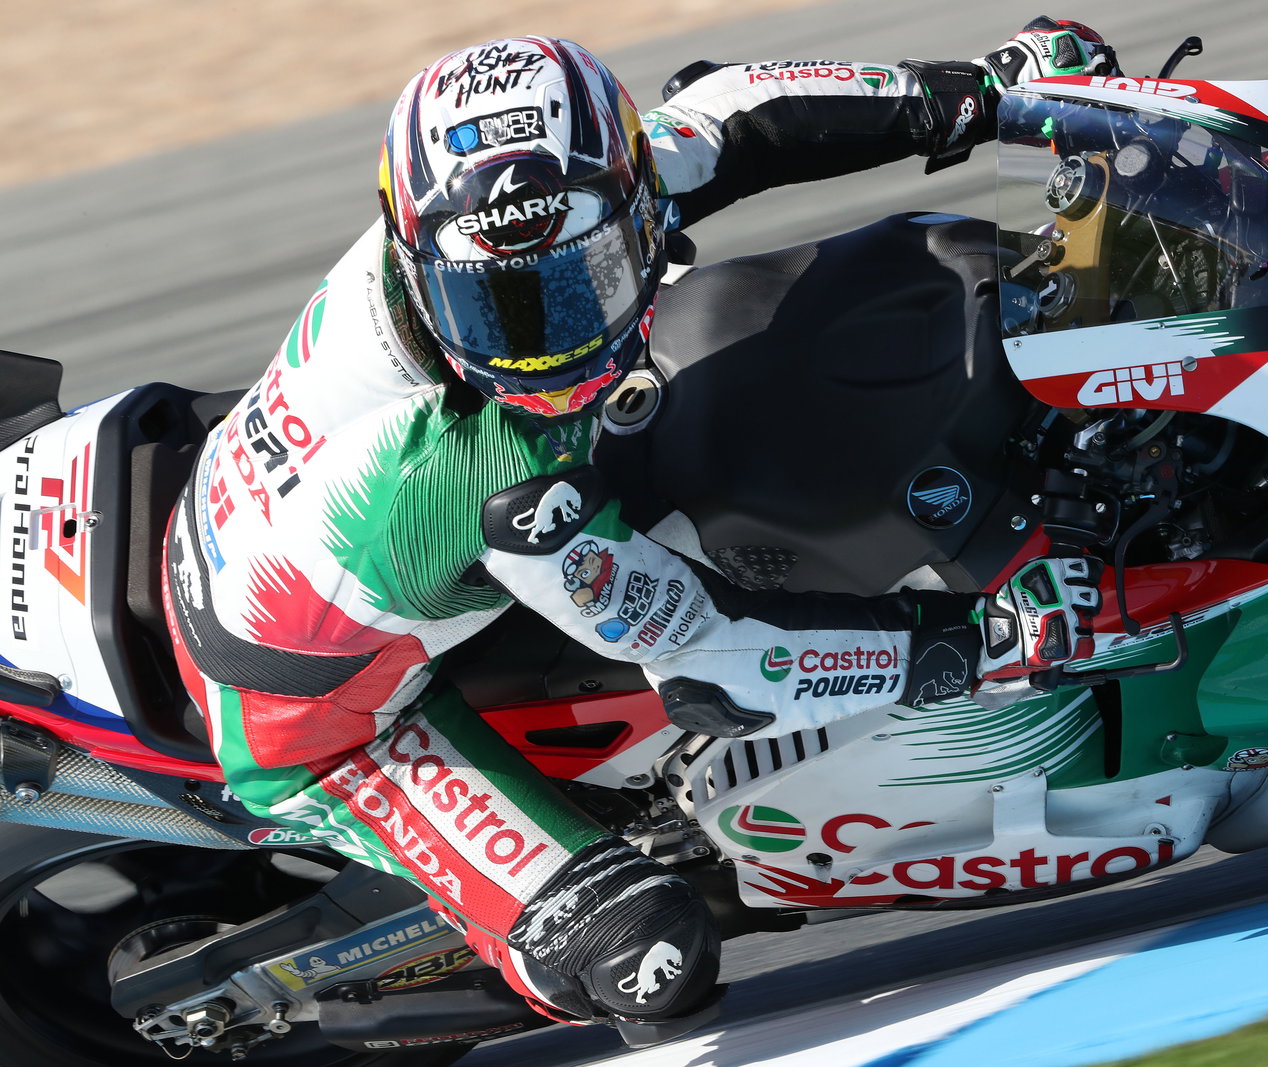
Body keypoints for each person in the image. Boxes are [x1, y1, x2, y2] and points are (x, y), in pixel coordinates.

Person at [161, 18, 1117, 1043]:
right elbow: (718, 653)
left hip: (315, 520)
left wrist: (991, 91)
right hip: (310, 717)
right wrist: (975, 643)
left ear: (628, 191)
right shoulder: (476, 468)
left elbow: (744, 112)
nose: (548, 342)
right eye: (497, 313)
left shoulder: (523, 205)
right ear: (423, 267)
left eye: (586, 279)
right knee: (653, 952)